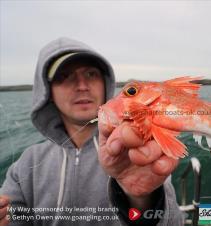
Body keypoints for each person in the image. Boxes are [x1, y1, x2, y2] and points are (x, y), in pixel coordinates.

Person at [0, 37, 183, 226]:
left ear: (106, 84)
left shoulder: (135, 148)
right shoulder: (26, 164)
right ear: (48, 93)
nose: (82, 86)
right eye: (65, 76)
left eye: (91, 74)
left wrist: (144, 199)